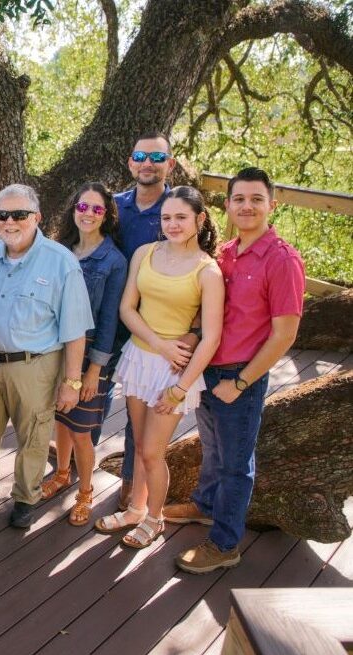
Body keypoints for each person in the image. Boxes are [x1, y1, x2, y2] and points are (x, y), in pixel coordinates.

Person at [165, 167, 304, 573]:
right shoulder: (225, 253)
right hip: (209, 367)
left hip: (241, 373)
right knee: (211, 445)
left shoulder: (282, 260)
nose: (247, 206)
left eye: (256, 199)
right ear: (227, 205)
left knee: (236, 463)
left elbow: (284, 335)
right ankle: (205, 506)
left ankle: (225, 544)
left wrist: (241, 383)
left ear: (271, 205)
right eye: (239, 199)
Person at [95, 186, 224, 549]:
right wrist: (160, 344)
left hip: (175, 373)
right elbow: (127, 310)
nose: (173, 224)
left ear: (199, 219)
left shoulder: (207, 271)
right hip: (141, 359)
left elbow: (211, 337)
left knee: (153, 451)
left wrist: (181, 386)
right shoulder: (144, 253)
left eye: (181, 217)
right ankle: (135, 508)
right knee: (138, 443)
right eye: (166, 217)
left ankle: (156, 518)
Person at [0, 184, 93, 529]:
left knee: (34, 436)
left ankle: (24, 497)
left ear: (36, 217)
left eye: (19, 214)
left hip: (35, 365)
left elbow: (75, 329)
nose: (10, 222)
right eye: (2, 215)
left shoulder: (61, 261)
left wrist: (72, 381)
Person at [105, 133, 188, 510]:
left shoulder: (176, 210)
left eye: (157, 156)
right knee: (93, 394)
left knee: (139, 412)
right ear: (130, 162)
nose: (148, 162)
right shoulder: (114, 207)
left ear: (170, 164)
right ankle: (78, 466)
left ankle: (132, 484)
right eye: (140, 155)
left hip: (153, 327)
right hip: (109, 317)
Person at [43, 184, 127, 526]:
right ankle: (61, 474)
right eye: (83, 206)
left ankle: (86, 492)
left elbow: (110, 320)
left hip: (92, 351)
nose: (88, 214)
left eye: (97, 209)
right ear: (73, 209)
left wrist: (94, 371)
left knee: (81, 429)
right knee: (61, 419)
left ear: (106, 216)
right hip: (55, 348)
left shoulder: (114, 261)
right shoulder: (59, 249)